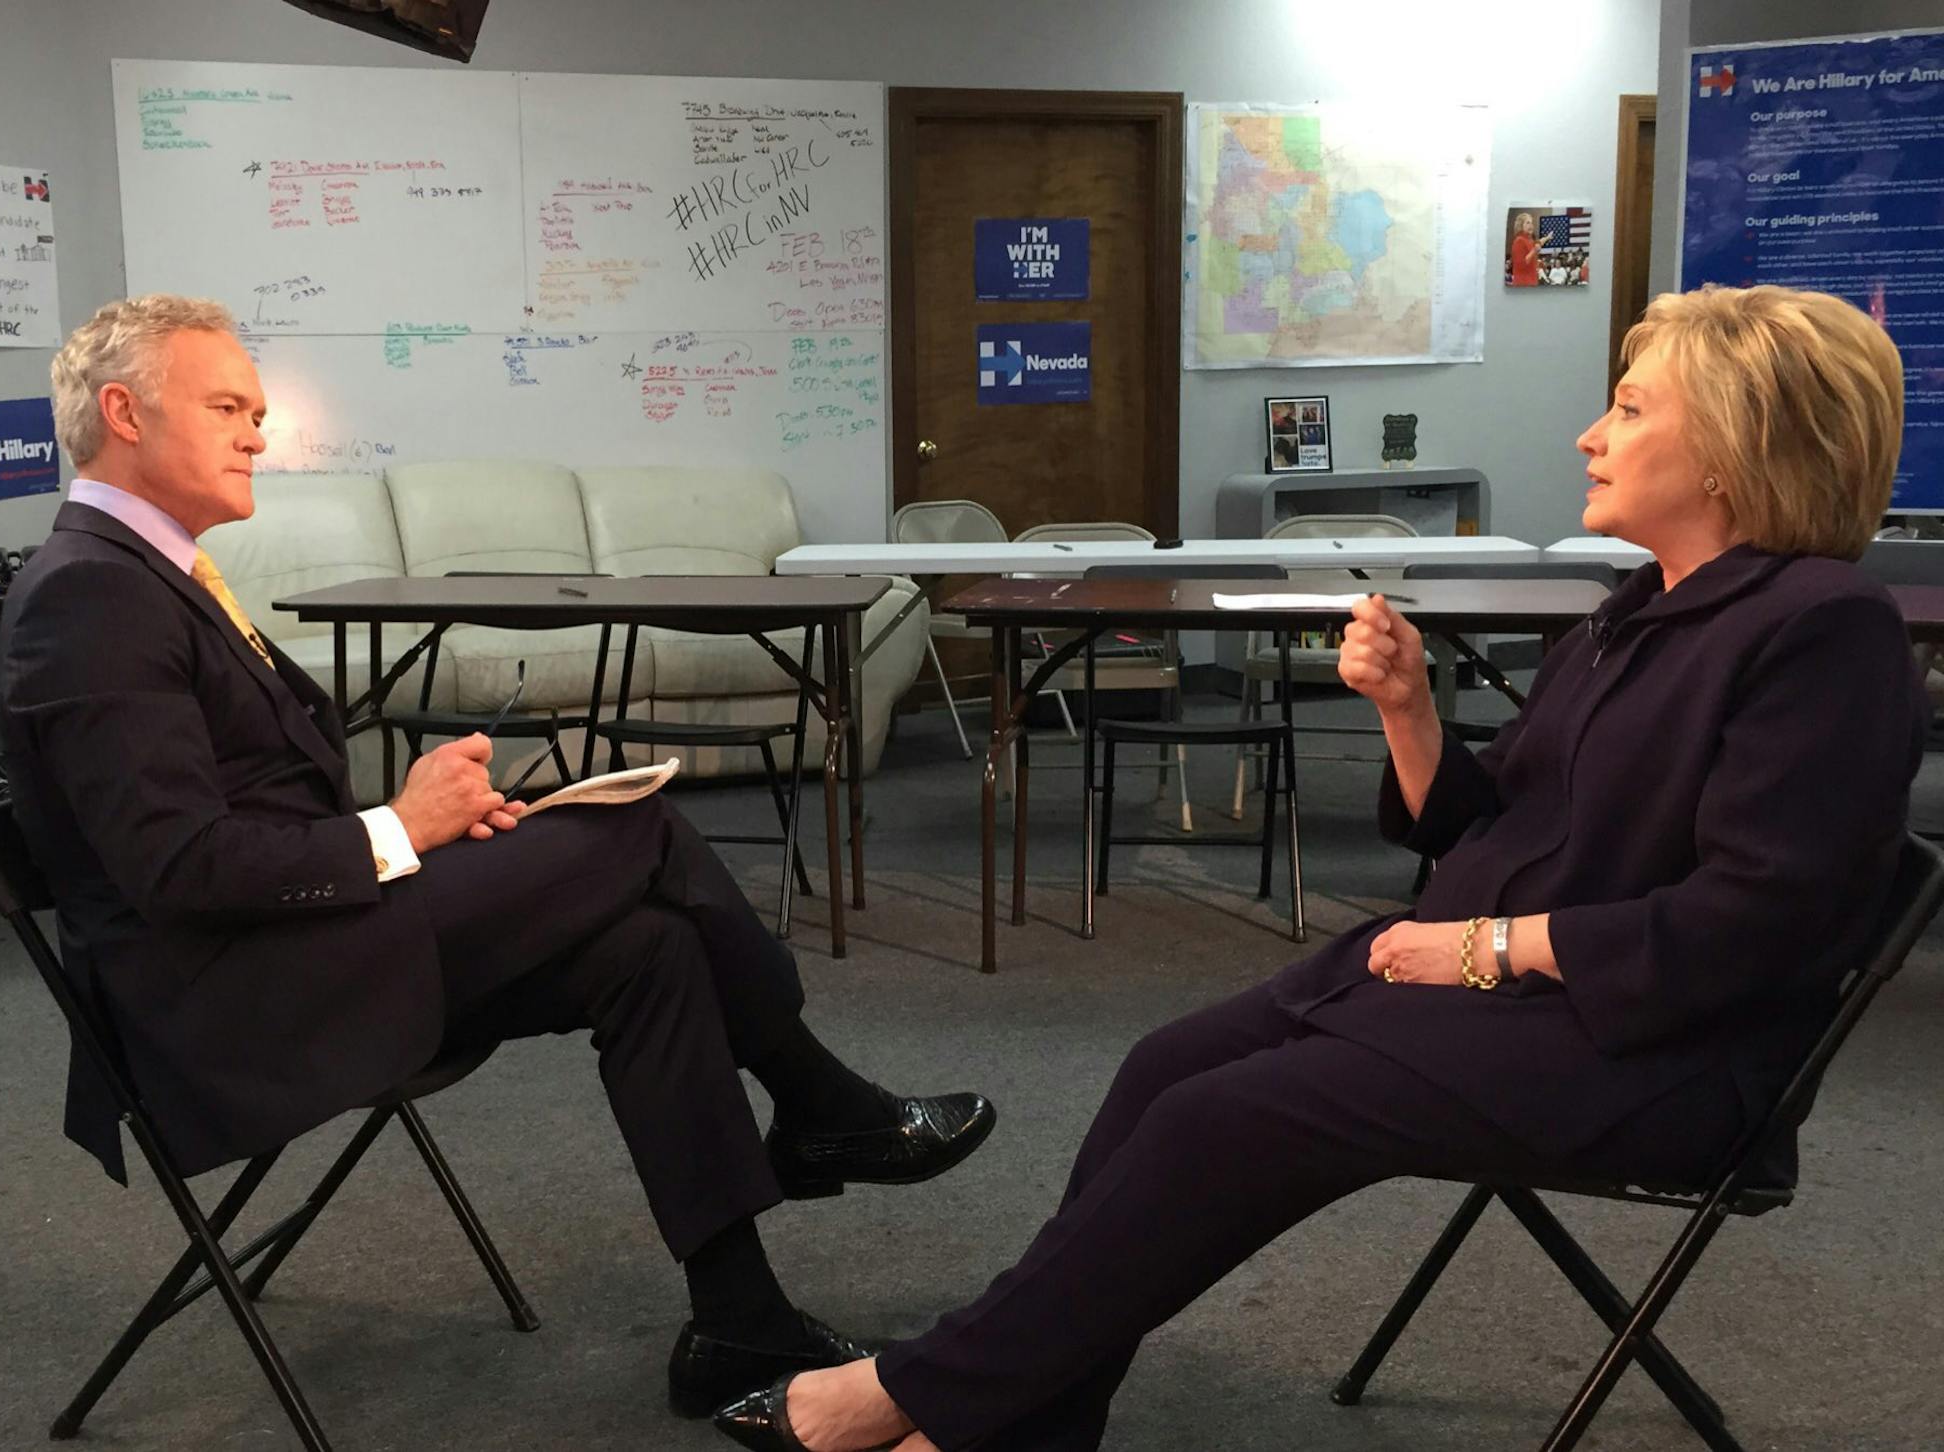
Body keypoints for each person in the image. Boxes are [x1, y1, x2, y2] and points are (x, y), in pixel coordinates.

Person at [713, 284, 1925, 1451]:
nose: (1590, 435)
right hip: (1501, 992)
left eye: (1631, 408)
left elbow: (1758, 921)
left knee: (1225, 1118)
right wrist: (1408, 712)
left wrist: (1486, 948)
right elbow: (1496, 824)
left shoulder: (1824, 630)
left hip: (1659, 1052)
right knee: (1165, 1068)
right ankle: (1026, 1426)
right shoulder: (1635, 608)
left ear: (1734, 449)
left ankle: (921, 1387)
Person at [0, 294, 998, 1420]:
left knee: (647, 947)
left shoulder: (150, 576)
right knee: (636, 829)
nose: (257, 436)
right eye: (228, 408)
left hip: (306, 946)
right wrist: (400, 828)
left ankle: (739, 1323)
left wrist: (413, 819)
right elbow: (179, 868)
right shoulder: (89, 594)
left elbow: (246, 809)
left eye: (258, 413)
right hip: (235, 1008)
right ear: (125, 413)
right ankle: (822, 1103)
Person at [1509, 209, 1540, 287]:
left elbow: (1538, 243)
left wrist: (1546, 238)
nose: (1531, 225)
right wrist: (1534, 250)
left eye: (1531, 223)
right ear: (1521, 225)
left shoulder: (1530, 240)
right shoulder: (1519, 241)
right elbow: (1521, 264)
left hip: (1532, 281)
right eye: (1528, 223)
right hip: (1523, 283)